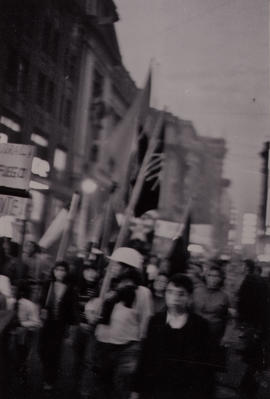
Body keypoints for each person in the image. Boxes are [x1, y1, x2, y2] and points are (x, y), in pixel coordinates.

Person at [131, 273, 214, 399]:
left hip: (184, 391)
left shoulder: (200, 326)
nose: (174, 298)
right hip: (154, 389)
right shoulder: (155, 321)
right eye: (170, 292)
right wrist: (136, 390)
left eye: (181, 294)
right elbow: (145, 357)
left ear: (190, 297)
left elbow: (206, 368)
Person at [85, 247, 153, 399]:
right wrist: (91, 314)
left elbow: (145, 320)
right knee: (100, 386)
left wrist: (141, 347)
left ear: (127, 268)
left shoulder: (142, 293)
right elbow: (90, 306)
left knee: (121, 387)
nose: (111, 268)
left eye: (115, 264)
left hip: (127, 348)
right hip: (102, 344)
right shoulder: (106, 286)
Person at [39, 261, 78, 391]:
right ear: (54, 271)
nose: (60, 272)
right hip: (46, 322)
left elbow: (72, 308)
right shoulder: (48, 284)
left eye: (63, 270)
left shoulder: (70, 288)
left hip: (60, 324)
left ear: (66, 272)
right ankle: (48, 371)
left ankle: (50, 379)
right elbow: (40, 299)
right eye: (57, 269)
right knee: (41, 349)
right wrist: (42, 308)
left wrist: (71, 327)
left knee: (54, 351)